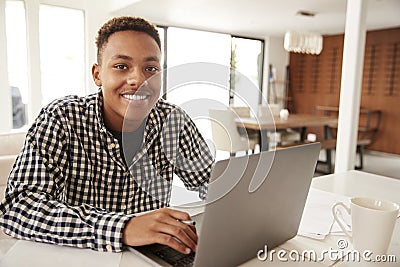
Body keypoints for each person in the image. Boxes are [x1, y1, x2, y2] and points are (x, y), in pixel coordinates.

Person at [0, 16, 214, 255]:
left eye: (151, 68)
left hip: (152, 258)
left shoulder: (174, 121)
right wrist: (124, 228)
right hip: (80, 256)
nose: (138, 80)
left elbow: (213, 183)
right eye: (122, 66)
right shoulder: (61, 118)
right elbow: (18, 208)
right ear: (97, 74)